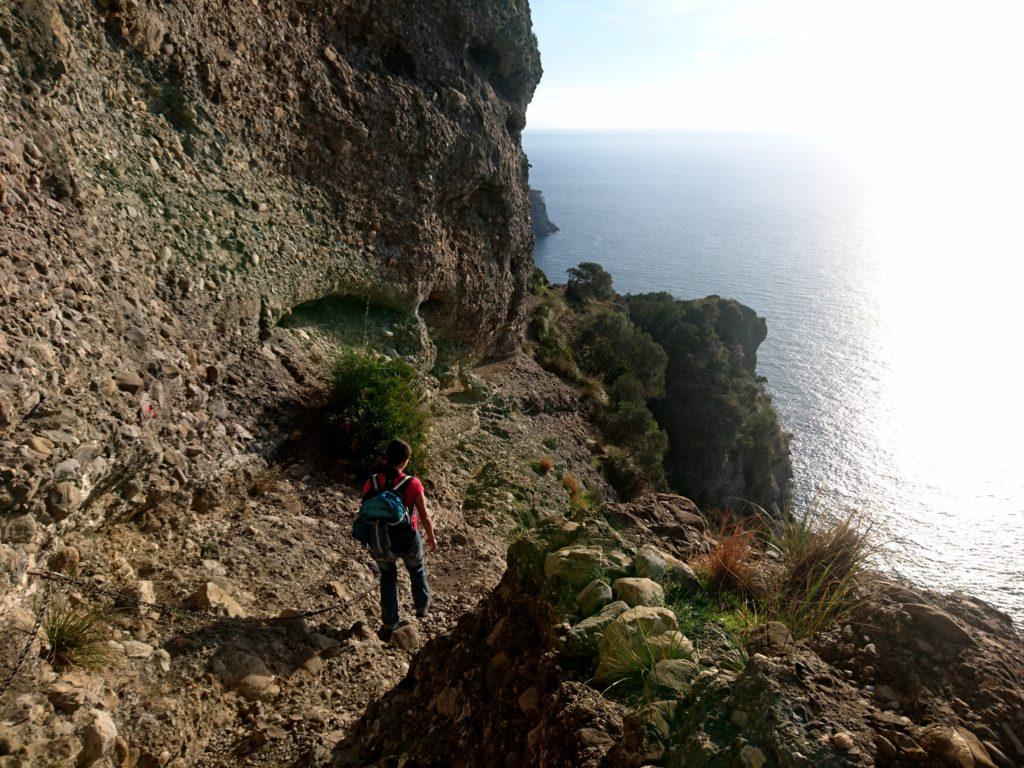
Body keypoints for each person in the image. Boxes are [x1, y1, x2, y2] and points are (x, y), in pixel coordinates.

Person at [361, 439, 437, 639]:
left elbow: (364, 511)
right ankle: (421, 608)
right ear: (404, 461)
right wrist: (431, 538)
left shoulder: (372, 481)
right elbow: (424, 515)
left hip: (380, 541)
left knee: (387, 579)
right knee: (417, 569)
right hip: (407, 539)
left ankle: (389, 624)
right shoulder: (412, 483)